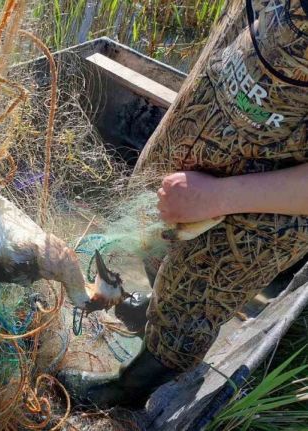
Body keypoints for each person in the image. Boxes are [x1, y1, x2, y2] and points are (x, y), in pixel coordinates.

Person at [59, 0, 308, 407]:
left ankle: (129, 390)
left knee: (192, 304)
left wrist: (216, 196)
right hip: (195, 134)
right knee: (159, 251)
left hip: (255, 208)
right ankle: (156, 309)